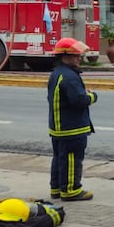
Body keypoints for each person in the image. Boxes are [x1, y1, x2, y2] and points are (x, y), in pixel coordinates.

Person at [47, 37, 98, 201]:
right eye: (76, 56)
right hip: (71, 128)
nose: (78, 59)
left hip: (58, 127)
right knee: (71, 159)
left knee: (59, 158)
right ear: (65, 57)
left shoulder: (57, 74)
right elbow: (79, 100)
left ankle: (56, 188)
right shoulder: (70, 77)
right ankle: (71, 190)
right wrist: (92, 96)